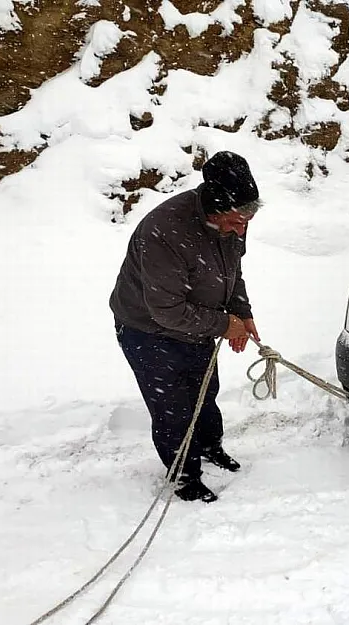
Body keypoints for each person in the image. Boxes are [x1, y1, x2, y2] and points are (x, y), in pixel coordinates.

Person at [110, 151, 261, 503]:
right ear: (214, 208)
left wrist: (242, 311)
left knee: (205, 392)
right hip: (148, 330)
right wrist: (225, 324)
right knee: (173, 407)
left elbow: (231, 271)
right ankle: (183, 474)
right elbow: (166, 310)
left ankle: (209, 446)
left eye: (247, 221)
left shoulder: (235, 219)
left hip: (198, 323)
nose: (241, 229)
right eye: (236, 221)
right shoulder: (164, 231)